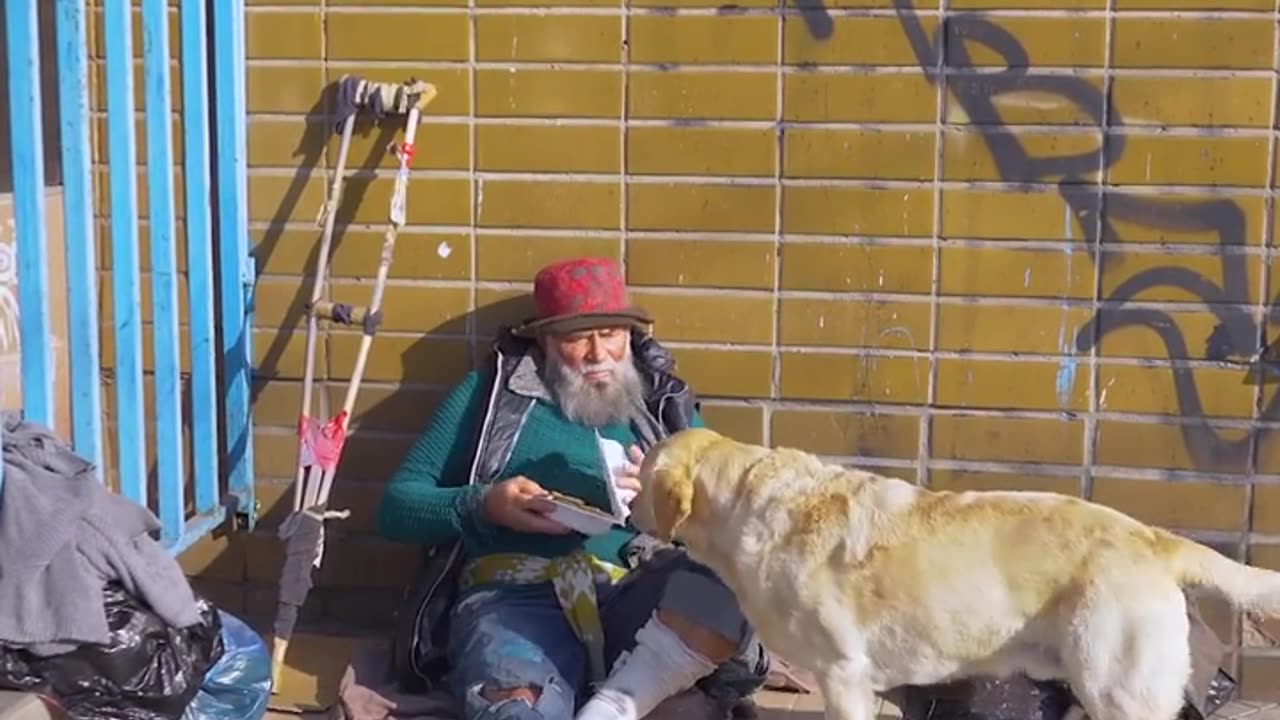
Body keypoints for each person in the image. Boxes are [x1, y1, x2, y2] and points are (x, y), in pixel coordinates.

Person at [376, 257, 771, 720]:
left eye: (611, 335)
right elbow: (396, 506)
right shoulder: (487, 394)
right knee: (514, 708)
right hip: (514, 599)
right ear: (543, 340)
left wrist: (667, 505)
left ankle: (616, 705)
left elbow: (727, 524)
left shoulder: (662, 403)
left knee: (738, 570)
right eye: (577, 337)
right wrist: (483, 504)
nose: (598, 354)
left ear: (632, 336)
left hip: (637, 597)